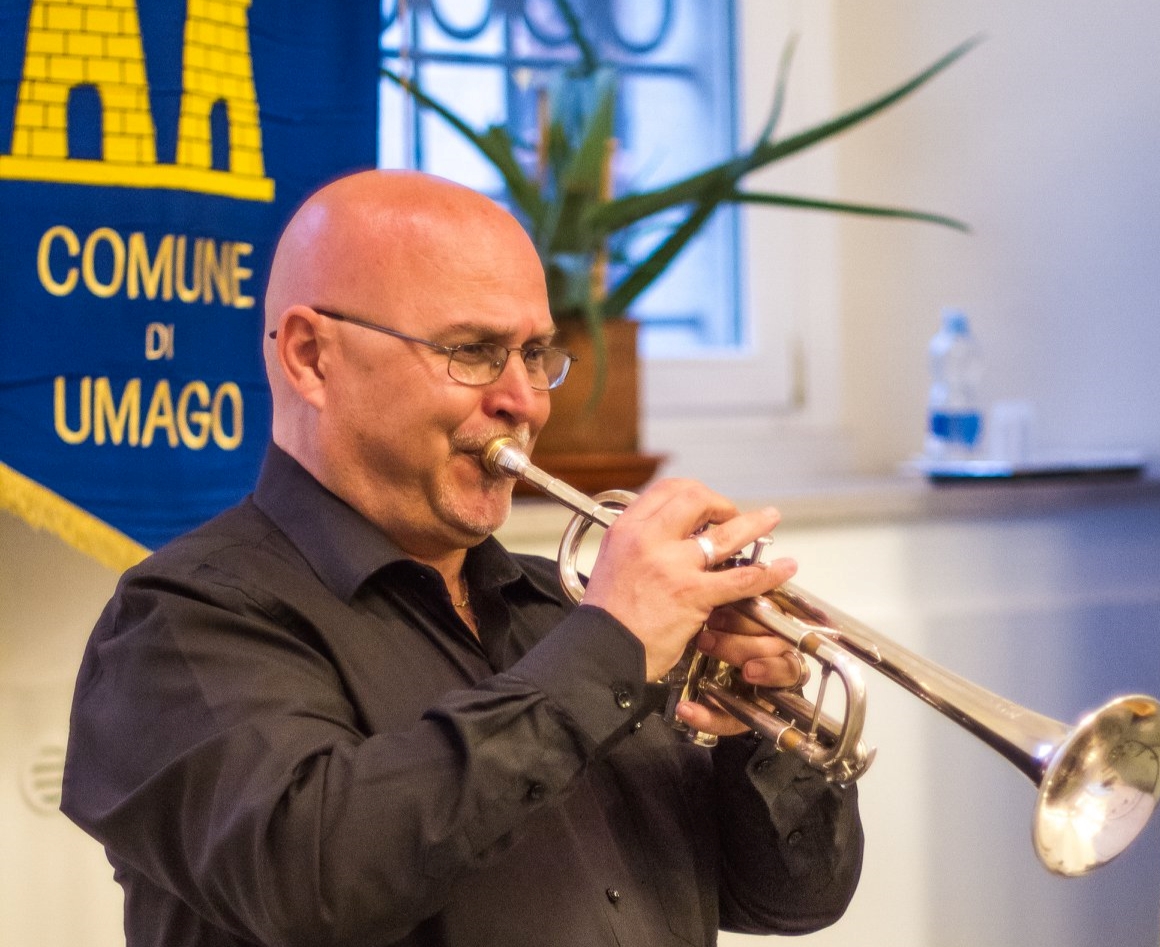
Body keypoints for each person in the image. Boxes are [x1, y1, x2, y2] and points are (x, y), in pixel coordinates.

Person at [61, 169, 864, 947]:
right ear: (311, 357)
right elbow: (314, 881)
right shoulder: (177, 622)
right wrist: (610, 648)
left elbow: (790, 897)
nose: (525, 399)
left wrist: (760, 730)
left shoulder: (566, 608)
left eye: (537, 354)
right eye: (474, 351)